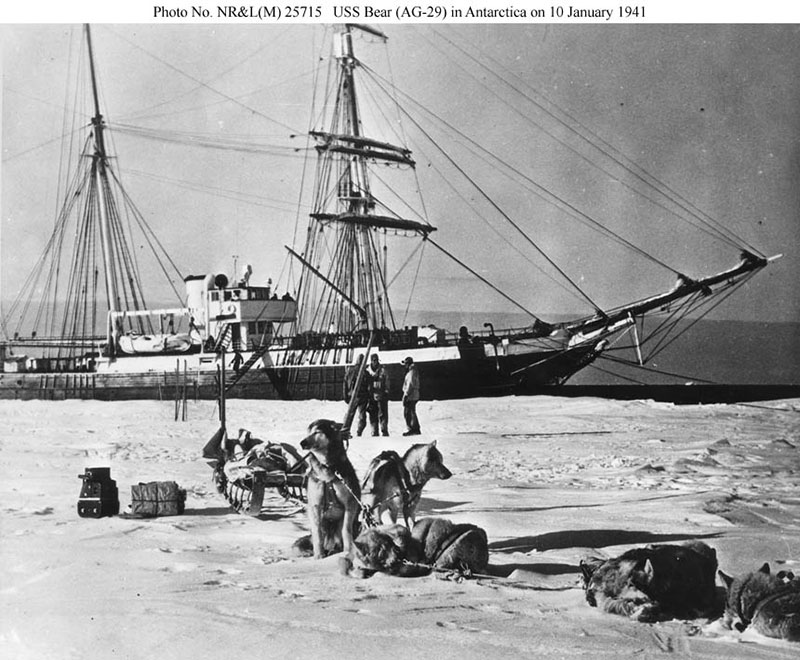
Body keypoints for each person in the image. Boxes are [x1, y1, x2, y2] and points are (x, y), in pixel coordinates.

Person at [344, 354, 369, 437]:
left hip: (353, 397)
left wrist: (345, 396)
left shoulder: (349, 371)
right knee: (362, 416)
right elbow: (368, 386)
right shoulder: (365, 372)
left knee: (349, 416)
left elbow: (345, 384)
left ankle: (346, 431)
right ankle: (359, 432)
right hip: (362, 397)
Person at [367, 353, 389, 437]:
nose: (375, 362)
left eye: (376, 360)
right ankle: (374, 431)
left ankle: (384, 430)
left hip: (381, 395)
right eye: (373, 360)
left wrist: (386, 391)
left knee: (383, 414)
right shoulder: (367, 370)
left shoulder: (383, 370)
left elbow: (387, 381)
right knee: (373, 414)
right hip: (371, 396)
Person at [401, 356, 421, 436]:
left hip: (411, 395)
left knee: (409, 412)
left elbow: (410, 385)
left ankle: (413, 429)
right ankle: (414, 428)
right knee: (411, 411)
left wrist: (406, 395)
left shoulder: (411, 373)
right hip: (413, 394)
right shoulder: (413, 371)